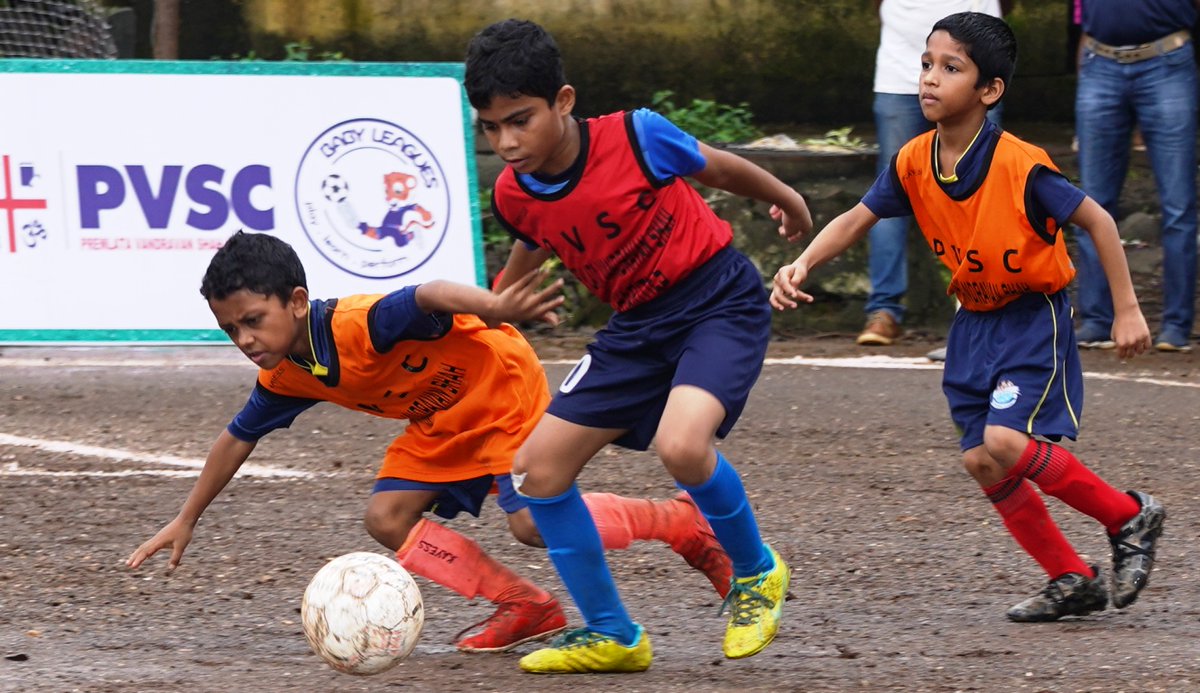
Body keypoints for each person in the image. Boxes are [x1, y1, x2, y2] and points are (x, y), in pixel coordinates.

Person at [126, 231, 736, 654]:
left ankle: (678, 521)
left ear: (297, 302)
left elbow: (429, 295)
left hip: (499, 387)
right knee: (386, 517)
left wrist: (495, 304)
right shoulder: (285, 372)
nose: (244, 338)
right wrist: (186, 518)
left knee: (529, 523)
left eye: (252, 320)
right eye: (229, 328)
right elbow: (239, 436)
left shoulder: (362, 324)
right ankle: (525, 605)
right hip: (441, 418)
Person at [771, 13, 1166, 622]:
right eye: (928, 63)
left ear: (990, 91)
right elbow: (857, 217)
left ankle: (1127, 515)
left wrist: (1127, 309)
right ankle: (1070, 576)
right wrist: (802, 264)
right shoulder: (914, 160)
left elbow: (1099, 221)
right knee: (981, 458)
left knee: (1007, 441)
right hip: (974, 324)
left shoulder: (1021, 165)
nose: (930, 78)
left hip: (1033, 318)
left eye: (951, 68)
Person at [465, 18, 812, 673]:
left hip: (716, 301)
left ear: (563, 101)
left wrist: (788, 198)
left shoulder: (637, 135)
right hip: (635, 331)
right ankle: (613, 634)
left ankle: (757, 571)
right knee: (537, 474)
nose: (506, 141)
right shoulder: (514, 190)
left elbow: (722, 168)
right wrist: (498, 306)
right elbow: (532, 238)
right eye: (490, 126)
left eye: (521, 120)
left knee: (682, 444)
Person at [860, 0, 1010, 349]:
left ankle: (977, 311)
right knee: (888, 197)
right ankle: (883, 311)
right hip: (899, 76)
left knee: (981, 194)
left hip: (974, 74)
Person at [1072, 0, 1198, 352]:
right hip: (1099, 62)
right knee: (1091, 204)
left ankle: (1176, 324)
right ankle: (1097, 319)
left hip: (1167, 60)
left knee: (1178, 204)